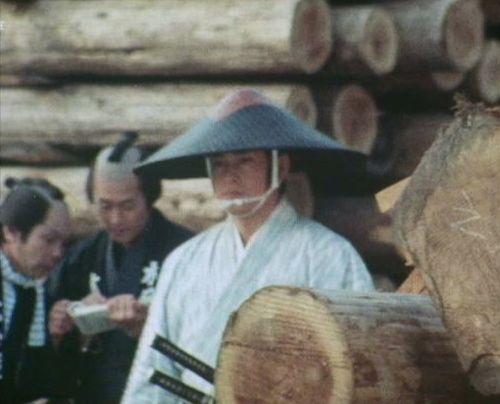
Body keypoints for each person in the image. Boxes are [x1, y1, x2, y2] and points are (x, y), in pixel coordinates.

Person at [122, 89, 375, 403]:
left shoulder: (329, 255)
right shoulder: (183, 261)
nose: (231, 175)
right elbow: (153, 370)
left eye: (245, 161)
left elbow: (360, 365)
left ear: (280, 167)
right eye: (219, 164)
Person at [48, 132, 193, 404]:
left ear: (149, 197)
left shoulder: (187, 252)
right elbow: (52, 350)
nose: (115, 219)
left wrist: (147, 325)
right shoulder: (83, 256)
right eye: (105, 206)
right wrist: (62, 325)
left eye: (127, 206)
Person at [0, 177, 72, 403]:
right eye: (48, 240)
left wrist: (55, 336)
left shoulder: (35, 289)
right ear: (11, 232)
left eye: (63, 244)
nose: (58, 253)